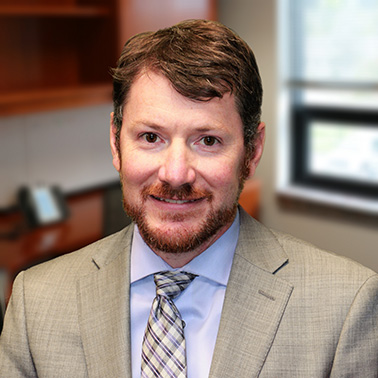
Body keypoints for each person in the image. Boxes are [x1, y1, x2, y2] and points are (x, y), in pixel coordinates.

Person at [0, 19, 377, 378]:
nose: (175, 174)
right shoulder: (36, 303)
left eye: (208, 140)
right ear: (116, 143)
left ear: (252, 151)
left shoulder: (347, 308)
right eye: (151, 137)